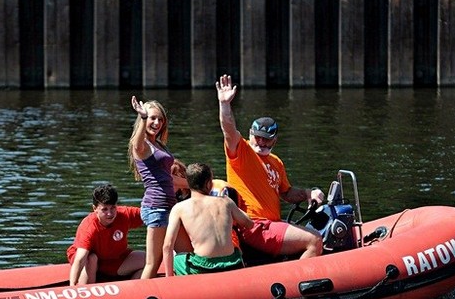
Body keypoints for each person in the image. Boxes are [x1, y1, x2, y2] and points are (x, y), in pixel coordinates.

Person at [215, 74, 325, 259]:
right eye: (257, 137)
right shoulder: (240, 151)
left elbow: (287, 193)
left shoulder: (276, 162)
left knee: (309, 232)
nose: (261, 142)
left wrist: (308, 193)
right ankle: (295, 284)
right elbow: (228, 128)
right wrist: (225, 104)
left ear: (275, 139)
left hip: (271, 225)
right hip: (254, 225)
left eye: (266, 139)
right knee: (314, 240)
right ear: (250, 134)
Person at [128, 95, 190, 279]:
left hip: (170, 207)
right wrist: (143, 117)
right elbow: (136, 144)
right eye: (152, 118)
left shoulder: (158, 144)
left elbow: (168, 178)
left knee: (187, 252)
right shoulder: (142, 145)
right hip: (156, 207)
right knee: (153, 262)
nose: (156, 122)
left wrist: (195, 184)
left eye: (160, 119)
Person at [163, 163, 253, 276]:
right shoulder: (226, 202)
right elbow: (249, 224)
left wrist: (168, 277)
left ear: (188, 183)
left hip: (202, 267)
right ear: (209, 183)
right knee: (237, 250)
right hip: (233, 263)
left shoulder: (179, 208)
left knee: (178, 259)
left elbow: (167, 246)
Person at [67, 184, 145, 285]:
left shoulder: (124, 214)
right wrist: (72, 287)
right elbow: (80, 259)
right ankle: (87, 290)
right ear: (95, 208)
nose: (110, 213)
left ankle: (131, 291)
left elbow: (151, 215)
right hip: (90, 261)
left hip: (113, 259)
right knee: (91, 258)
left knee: (149, 260)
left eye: (113, 208)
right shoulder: (89, 227)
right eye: (104, 209)